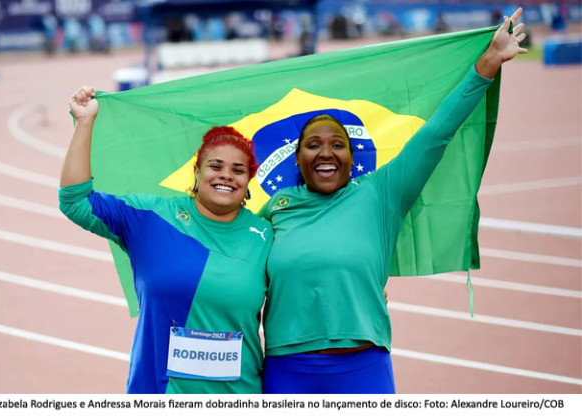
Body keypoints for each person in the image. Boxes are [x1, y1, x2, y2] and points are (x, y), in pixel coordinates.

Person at [259, 8, 528, 394]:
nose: (326, 153)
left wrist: (487, 63)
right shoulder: (274, 208)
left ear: (352, 158)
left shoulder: (379, 193)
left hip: (363, 364)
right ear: (297, 158)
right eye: (313, 145)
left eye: (338, 145)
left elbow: (436, 134)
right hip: (287, 368)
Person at [59, 88, 272, 394]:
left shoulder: (265, 235)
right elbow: (75, 202)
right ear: (196, 172)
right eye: (215, 166)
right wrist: (85, 122)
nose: (226, 176)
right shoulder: (151, 218)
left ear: (248, 182)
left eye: (238, 170)